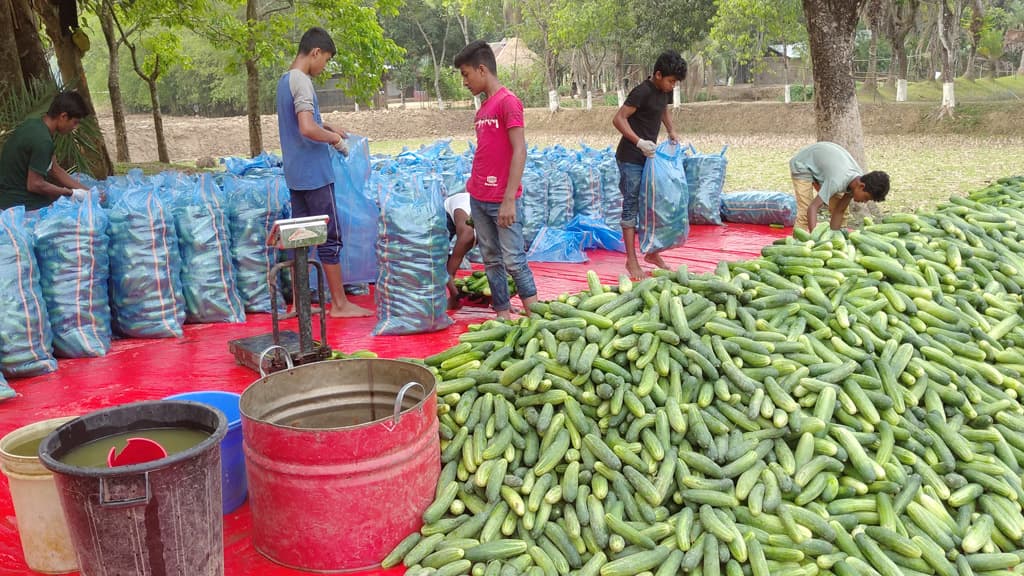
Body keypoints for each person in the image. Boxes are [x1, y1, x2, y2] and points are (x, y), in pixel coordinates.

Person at [276, 27, 371, 318]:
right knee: (331, 237)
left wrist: (327, 125)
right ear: (315, 52)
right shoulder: (302, 82)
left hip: (295, 175)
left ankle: (298, 305)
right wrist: (335, 140)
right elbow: (306, 128)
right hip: (316, 175)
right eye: (326, 60)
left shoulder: (284, 81)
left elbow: (301, 122)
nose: (324, 67)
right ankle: (340, 305)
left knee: (299, 239)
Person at [453, 40, 537, 321]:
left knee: (514, 259)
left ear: (481, 69)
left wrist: (509, 198)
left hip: (503, 199)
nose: (464, 81)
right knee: (491, 258)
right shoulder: (483, 109)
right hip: (479, 198)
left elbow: (520, 150)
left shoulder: (508, 103)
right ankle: (502, 313)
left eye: (466, 74)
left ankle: (536, 317)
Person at [612, 50, 688, 280]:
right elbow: (618, 118)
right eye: (671, 81)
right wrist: (638, 142)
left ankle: (653, 253)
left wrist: (671, 130)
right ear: (657, 75)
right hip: (630, 158)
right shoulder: (642, 91)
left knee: (655, 205)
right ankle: (631, 261)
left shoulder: (662, 92)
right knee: (632, 206)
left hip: (650, 159)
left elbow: (662, 108)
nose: (673, 86)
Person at [0, 92, 91, 211]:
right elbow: (35, 184)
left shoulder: (33, 124)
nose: (75, 128)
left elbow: (55, 170)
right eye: (75, 122)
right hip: (18, 203)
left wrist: (88, 193)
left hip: (6, 195)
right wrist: (69, 193)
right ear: (63, 116)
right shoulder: (43, 141)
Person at [790, 141, 891, 231]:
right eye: (866, 198)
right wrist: (817, 240)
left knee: (842, 212)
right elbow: (813, 207)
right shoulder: (836, 181)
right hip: (803, 164)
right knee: (805, 213)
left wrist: (835, 237)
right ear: (861, 186)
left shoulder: (856, 182)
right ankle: (796, 245)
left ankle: (837, 236)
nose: (864, 202)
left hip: (824, 166)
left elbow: (839, 210)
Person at [443, 190, 476, 310]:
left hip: (470, 205)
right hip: (450, 207)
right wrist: (456, 297)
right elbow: (449, 271)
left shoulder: (495, 235)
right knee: (439, 254)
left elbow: (497, 266)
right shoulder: (467, 236)